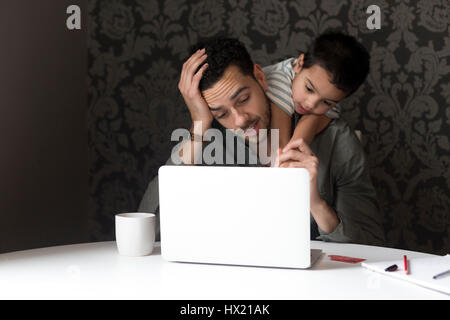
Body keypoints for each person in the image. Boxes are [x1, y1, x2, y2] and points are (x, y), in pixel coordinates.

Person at [139, 37, 385, 246]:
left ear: (261, 77)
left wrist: (315, 203)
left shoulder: (336, 139)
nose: (240, 119)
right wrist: (200, 124)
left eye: (244, 98)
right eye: (221, 113)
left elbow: (371, 245)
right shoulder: (205, 142)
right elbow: (147, 225)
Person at [265, 32, 370, 149]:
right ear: (299, 64)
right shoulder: (278, 80)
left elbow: (310, 125)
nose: (310, 104)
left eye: (326, 102)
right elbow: (279, 149)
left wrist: (296, 148)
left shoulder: (328, 93)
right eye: (309, 89)